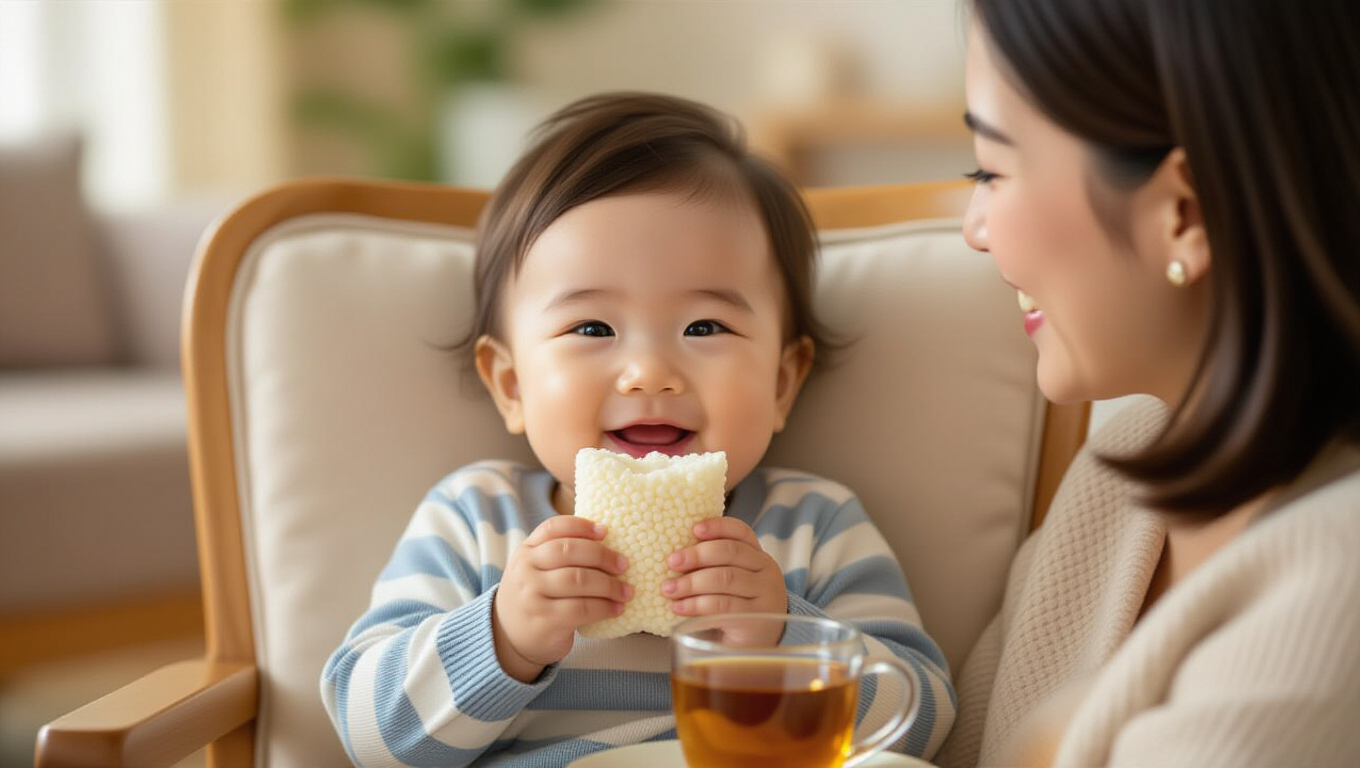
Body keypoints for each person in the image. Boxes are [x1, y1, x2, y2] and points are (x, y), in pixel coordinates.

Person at [320, 92, 955, 767]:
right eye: (593, 327)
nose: (649, 373)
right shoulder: (475, 518)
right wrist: (503, 637)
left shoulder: (814, 524)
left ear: (781, 383)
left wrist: (781, 639)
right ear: (511, 385)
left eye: (704, 327)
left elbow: (921, 721)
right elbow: (372, 737)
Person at [936, 1, 1360, 766]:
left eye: (991, 169)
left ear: (1183, 213)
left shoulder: (1335, 596)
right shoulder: (1116, 478)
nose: (974, 228)